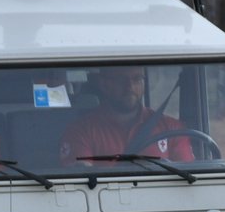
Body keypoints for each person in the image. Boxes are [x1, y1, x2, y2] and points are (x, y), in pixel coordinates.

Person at [58, 67, 193, 165]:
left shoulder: (172, 128)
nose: (130, 86)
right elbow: (83, 180)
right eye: (121, 80)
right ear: (104, 84)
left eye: (137, 79)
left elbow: (187, 176)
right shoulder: (81, 130)